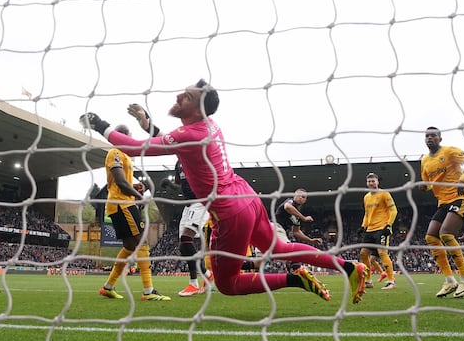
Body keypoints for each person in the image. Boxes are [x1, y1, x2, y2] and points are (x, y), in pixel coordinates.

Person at [81, 79, 366, 304]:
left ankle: (295, 280)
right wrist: (146, 123)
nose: (180, 97)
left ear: (197, 109)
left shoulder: (189, 135)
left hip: (230, 211)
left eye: (187, 97)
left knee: (227, 285)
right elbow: (171, 139)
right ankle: (349, 267)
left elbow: (137, 148)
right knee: (280, 248)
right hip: (246, 196)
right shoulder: (206, 126)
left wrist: (99, 125)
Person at [128, 103, 215, 297]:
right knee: (185, 245)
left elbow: (166, 137)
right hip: (188, 204)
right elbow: (164, 141)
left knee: (186, 240)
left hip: (201, 202)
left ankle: (194, 282)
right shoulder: (179, 162)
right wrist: (170, 187)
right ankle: (206, 274)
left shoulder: (198, 155)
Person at [97, 124, 170, 301]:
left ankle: (108, 287)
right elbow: (120, 183)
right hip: (121, 205)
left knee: (130, 246)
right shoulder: (115, 152)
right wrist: (139, 196)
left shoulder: (124, 156)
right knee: (141, 243)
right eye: (129, 137)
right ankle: (148, 291)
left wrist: (136, 188)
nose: (130, 141)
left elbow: (123, 182)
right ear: (123, 136)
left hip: (125, 204)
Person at [420, 127, 464, 298]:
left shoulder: (450, 151)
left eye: (433, 135)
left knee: (446, 233)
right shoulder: (425, 160)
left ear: (440, 138)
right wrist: (424, 186)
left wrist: (462, 179)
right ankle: (449, 280)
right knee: (431, 237)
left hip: (462, 196)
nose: (429, 138)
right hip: (443, 202)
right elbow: (429, 182)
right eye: (427, 136)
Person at [359, 173, 397, 290]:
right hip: (370, 229)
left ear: (377, 182)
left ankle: (391, 281)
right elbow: (367, 213)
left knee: (382, 253)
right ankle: (369, 280)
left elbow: (393, 210)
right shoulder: (366, 197)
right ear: (367, 183)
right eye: (369, 181)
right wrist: (363, 226)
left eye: (373, 181)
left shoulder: (384, 194)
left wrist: (388, 225)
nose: (371, 183)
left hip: (381, 228)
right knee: (363, 254)